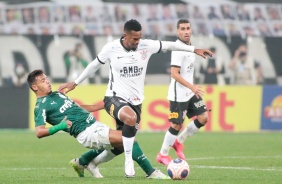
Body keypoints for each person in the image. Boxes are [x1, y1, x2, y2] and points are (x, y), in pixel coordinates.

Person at [58, 19, 213, 177]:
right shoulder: (111, 48)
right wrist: (75, 83)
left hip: (136, 102)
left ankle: (88, 162)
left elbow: (170, 45)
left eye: (140, 38)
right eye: (135, 39)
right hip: (114, 97)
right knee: (130, 120)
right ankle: (130, 163)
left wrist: (194, 49)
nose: (138, 41)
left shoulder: (146, 45)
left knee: (120, 142)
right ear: (125, 36)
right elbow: (94, 65)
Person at [27, 69, 169, 179]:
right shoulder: (41, 106)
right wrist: (60, 127)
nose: (48, 81)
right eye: (43, 80)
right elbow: (39, 132)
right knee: (128, 138)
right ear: (35, 87)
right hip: (86, 133)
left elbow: (79, 109)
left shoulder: (57, 94)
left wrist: (105, 105)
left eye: (46, 78)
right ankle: (151, 172)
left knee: (121, 147)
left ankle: (84, 161)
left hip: (95, 125)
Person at [156, 19, 210, 166]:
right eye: (183, 29)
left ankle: (178, 142)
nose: (186, 31)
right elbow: (174, 73)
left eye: (188, 28)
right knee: (176, 125)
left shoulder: (189, 46)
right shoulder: (178, 48)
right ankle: (162, 154)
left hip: (190, 92)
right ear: (178, 32)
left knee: (203, 117)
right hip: (178, 94)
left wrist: (191, 88)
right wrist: (192, 87)